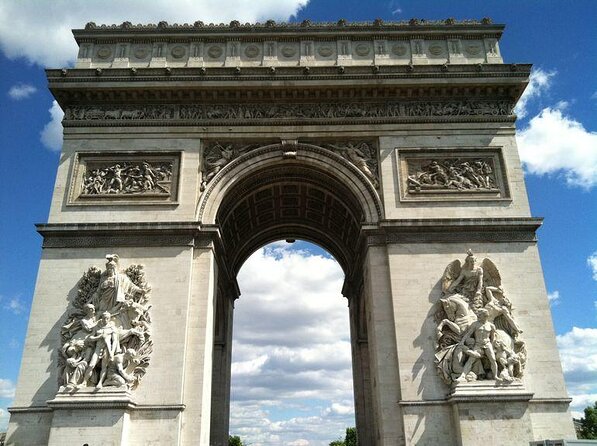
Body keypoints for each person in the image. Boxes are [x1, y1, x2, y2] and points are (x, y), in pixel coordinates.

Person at [456, 309, 498, 382]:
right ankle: (462, 376)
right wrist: (462, 342)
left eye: (481, 315)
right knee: (471, 360)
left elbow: (493, 337)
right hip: (478, 344)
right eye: (480, 315)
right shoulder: (475, 324)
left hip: (487, 344)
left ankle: (496, 376)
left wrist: (492, 346)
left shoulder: (491, 325)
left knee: (493, 360)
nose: (479, 316)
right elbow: (468, 334)